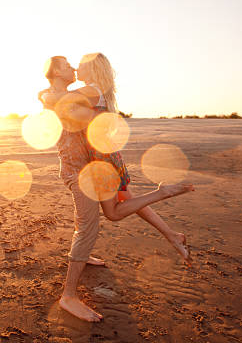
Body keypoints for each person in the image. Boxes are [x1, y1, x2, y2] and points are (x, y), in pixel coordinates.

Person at [40, 54, 194, 322]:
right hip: (84, 167)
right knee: (98, 218)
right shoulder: (84, 91)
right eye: (68, 65)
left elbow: (63, 104)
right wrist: (46, 95)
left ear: (93, 69)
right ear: (54, 71)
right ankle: (171, 232)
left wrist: (46, 96)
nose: (75, 66)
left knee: (99, 219)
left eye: (79, 63)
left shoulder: (89, 92)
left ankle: (69, 293)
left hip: (97, 164)